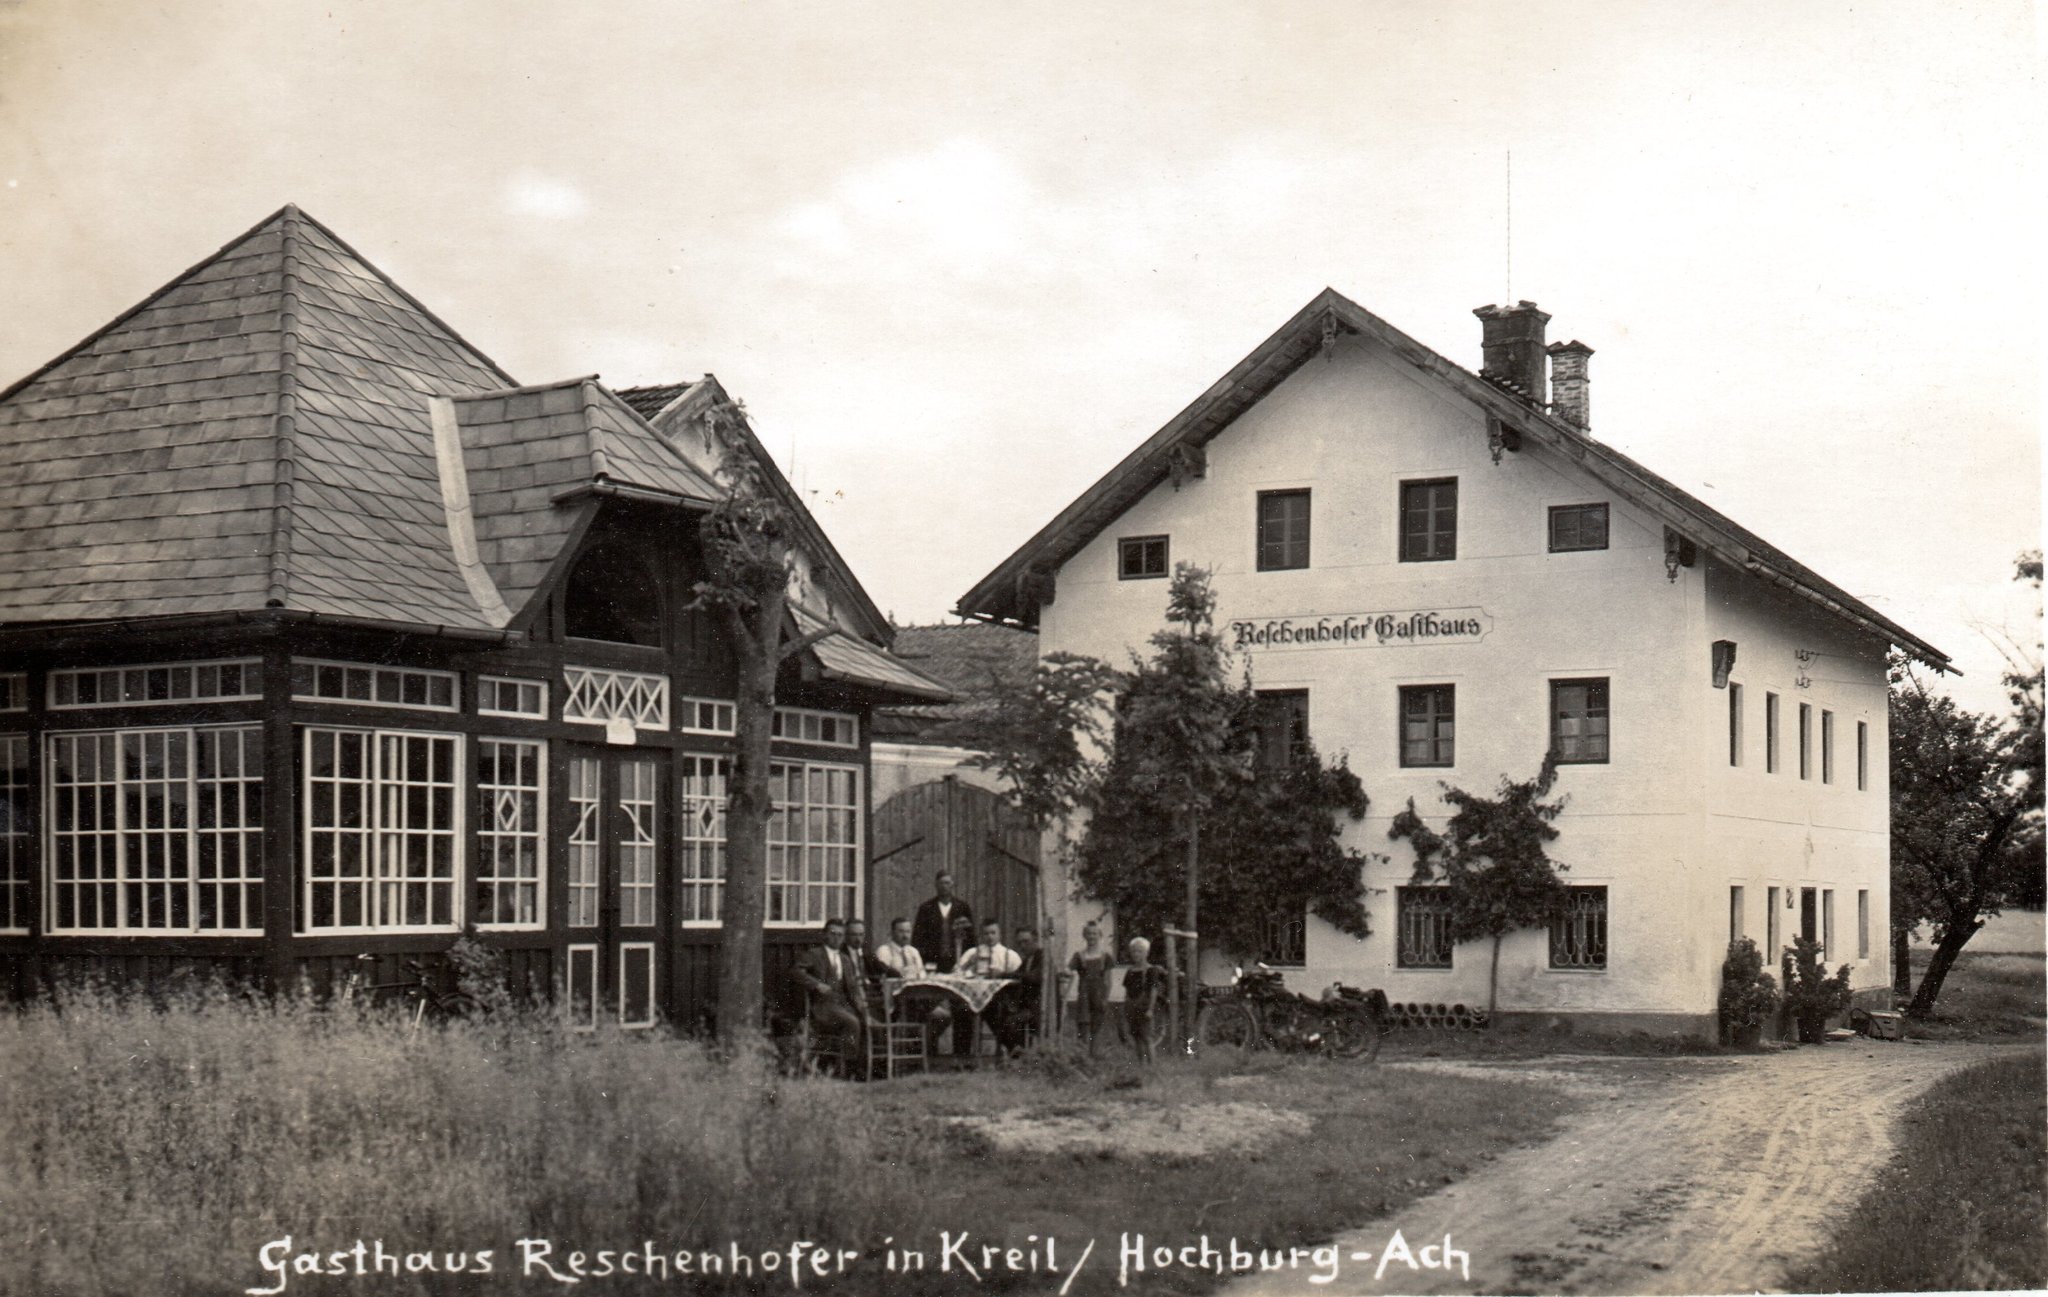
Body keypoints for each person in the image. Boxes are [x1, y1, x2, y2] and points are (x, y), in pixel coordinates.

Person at [791, 918, 868, 1074]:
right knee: (852, 1023)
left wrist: (862, 1006)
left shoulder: (845, 960)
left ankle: (860, 1069)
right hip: (823, 1007)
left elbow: (852, 989)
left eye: (840, 935)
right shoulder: (814, 954)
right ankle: (848, 1069)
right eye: (833, 934)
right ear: (824, 935)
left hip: (844, 1005)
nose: (837, 938)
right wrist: (816, 984)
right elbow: (795, 971)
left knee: (866, 1020)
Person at [1067, 921, 1115, 1057]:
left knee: (1097, 1027)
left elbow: (1108, 980)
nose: (1091, 936)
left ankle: (1096, 1057)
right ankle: (1082, 1057)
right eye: (1088, 933)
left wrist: (1106, 998)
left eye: (1094, 933)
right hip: (1084, 995)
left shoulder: (1105, 957)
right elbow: (1069, 970)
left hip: (1099, 995)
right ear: (1084, 935)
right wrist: (1066, 972)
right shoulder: (1079, 956)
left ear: (1100, 935)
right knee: (1083, 1025)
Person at [911, 871, 974, 974]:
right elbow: (917, 937)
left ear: (952, 884)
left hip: (957, 961)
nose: (944, 886)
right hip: (932, 961)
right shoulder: (926, 908)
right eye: (941, 883)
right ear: (936, 885)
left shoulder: (962, 907)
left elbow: (971, 936)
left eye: (947, 883)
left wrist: (967, 960)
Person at [1123, 936, 1162, 1065]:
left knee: (1147, 1037)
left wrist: (1150, 1009)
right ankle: (1142, 1065)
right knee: (1137, 1037)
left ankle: (1152, 1066)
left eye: (1139, 951)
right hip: (1132, 1008)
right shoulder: (1130, 971)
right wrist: (1126, 1007)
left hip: (1145, 1008)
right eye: (1134, 951)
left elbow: (1154, 990)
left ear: (1146, 953)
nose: (1136, 954)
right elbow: (1127, 991)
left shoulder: (1151, 971)